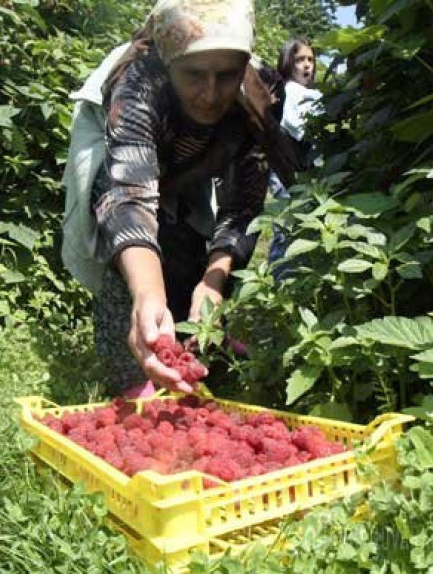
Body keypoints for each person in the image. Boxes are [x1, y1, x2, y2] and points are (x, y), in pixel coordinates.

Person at [60, 0, 298, 397]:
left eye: (226, 76)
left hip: (190, 161)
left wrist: (213, 281)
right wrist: (148, 294)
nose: (210, 94)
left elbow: (243, 204)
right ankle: (136, 354)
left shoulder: (259, 94)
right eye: (193, 75)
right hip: (115, 156)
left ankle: (199, 342)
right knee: (127, 258)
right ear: (169, 66)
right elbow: (128, 197)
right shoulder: (139, 80)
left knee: (189, 251)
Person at [267, 38, 322, 275]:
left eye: (310, 59)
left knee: (299, 223)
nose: (307, 65)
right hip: (285, 166)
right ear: (288, 62)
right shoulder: (289, 89)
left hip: (298, 166)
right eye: (300, 60)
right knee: (286, 224)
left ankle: (296, 276)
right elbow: (291, 123)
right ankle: (279, 278)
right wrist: (313, 133)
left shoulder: (306, 91)